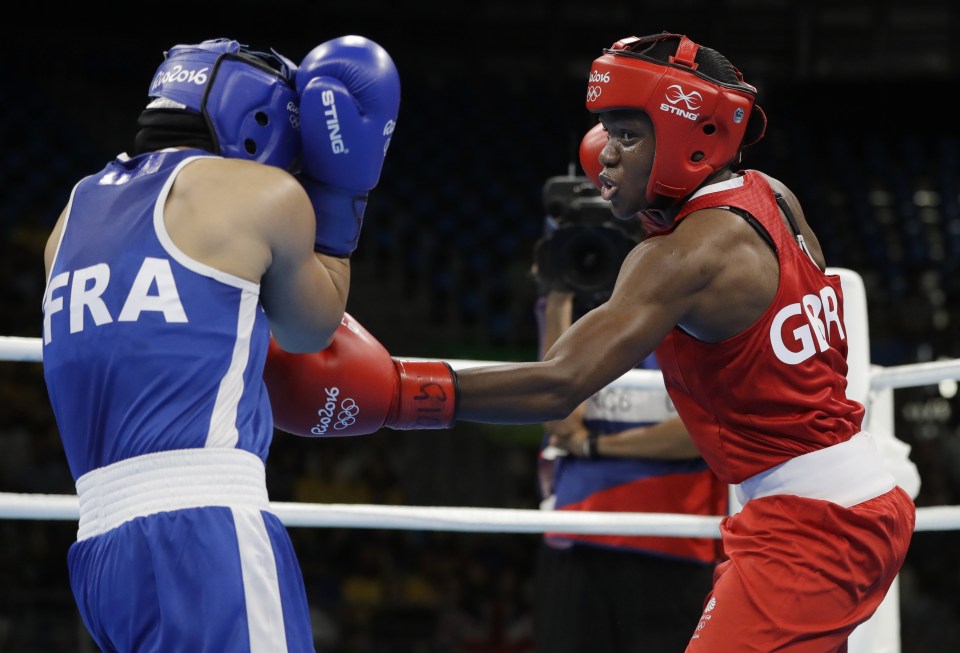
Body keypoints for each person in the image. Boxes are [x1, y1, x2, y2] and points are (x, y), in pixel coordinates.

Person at [264, 31, 916, 652]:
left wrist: (400, 393)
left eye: (628, 134)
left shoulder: (684, 257)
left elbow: (560, 382)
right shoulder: (771, 195)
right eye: (609, 129)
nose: (604, 151)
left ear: (694, 139)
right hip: (848, 497)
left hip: (811, 526)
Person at [40, 34, 400, 652]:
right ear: (262, 120)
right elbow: (311, 328)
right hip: (206, 531)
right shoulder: (260, 196)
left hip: (99, 550)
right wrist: (342, 191)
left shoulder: (70, 217)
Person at [530, 174, 727, 652]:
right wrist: (559, 293)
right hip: (578, 534)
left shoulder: (698, 308)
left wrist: (595, 445)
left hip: (672, 536)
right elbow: (558, 417)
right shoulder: (576, 319)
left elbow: (701, 433)